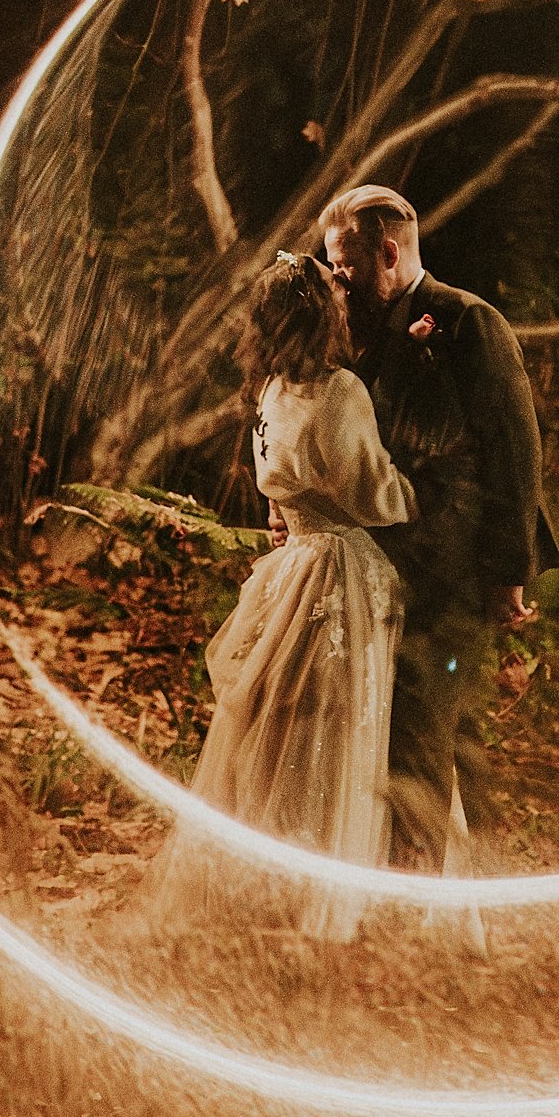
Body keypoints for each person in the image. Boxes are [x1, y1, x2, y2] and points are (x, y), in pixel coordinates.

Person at [144, 253, 413, 943]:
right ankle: (323, 889)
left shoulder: (270, 390)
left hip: (292, 565)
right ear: (324, 316)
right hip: (338, 571)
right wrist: (422, 492)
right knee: (338, 730)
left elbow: (281, 478)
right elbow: (375, 493)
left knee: (280, 730)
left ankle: (271, 880)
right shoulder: (340, 391)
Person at [320, 185, 559, 927]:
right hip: (376, 572)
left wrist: (508, 572)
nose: (337, 278)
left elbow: (513, 449)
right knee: (398, 735)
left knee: (424, 737)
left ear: (388, 252)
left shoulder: (468, 323)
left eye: (345, 262)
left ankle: (417, 913)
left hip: (451, 575)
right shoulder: (355, 329)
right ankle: (430, 900)